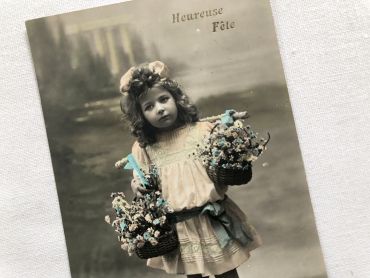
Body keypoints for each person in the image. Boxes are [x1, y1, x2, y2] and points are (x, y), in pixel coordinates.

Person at [120, 61, 262, 278]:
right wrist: (137, 185)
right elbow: (142, 181)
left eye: (164, 99)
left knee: (227, 272)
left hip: (211, 219)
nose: (159, 108)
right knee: (193, 274)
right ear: (141, 116)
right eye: (149, 107)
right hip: (180, 227)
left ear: (176, 99)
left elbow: (222, 151)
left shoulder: (201, 131)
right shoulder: (145, 149)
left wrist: (227, 130)